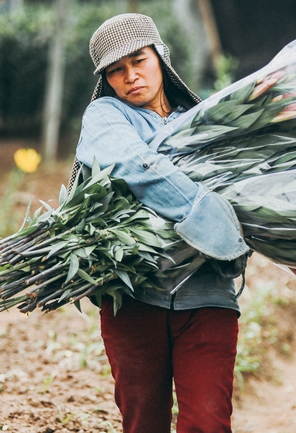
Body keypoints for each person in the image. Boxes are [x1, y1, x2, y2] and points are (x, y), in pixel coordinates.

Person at [72, 13, 250, 433]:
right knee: (143, 424)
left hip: (208, 297)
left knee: (208, 424)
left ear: (160, 56)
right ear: (107, 80)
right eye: (116, 70)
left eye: (138, 60)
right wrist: (209, 215)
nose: (130, 76)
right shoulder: (105, 116)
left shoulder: (207, 119)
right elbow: (135, 164)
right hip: (134, 300)